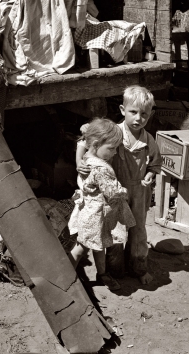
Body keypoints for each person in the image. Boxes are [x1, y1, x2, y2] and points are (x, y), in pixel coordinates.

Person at [77, 86, 162, 285]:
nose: (138, 118)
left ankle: (139, 268)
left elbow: (155, 163)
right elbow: (84, 141)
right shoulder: (113, 132)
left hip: (139, 191)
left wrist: (150, 174)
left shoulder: (149, 140)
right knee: (114, 230)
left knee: (138, 229)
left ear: (150, 115)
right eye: (133, 112)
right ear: (123, 110)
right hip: (113, 190)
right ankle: (114, 270)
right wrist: (80, 162)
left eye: (144, 114)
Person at [68, 118, 136, 292]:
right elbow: (112, 192)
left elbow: (83, 141)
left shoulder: (86, 157)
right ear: (97, 144)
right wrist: (125, 192)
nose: (114, 153)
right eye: (112, 148)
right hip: (94, 215)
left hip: (92, 212)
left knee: (99, 245)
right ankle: (66, 278)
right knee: (81, 247)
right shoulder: (99, 168)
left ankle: (102, 273)